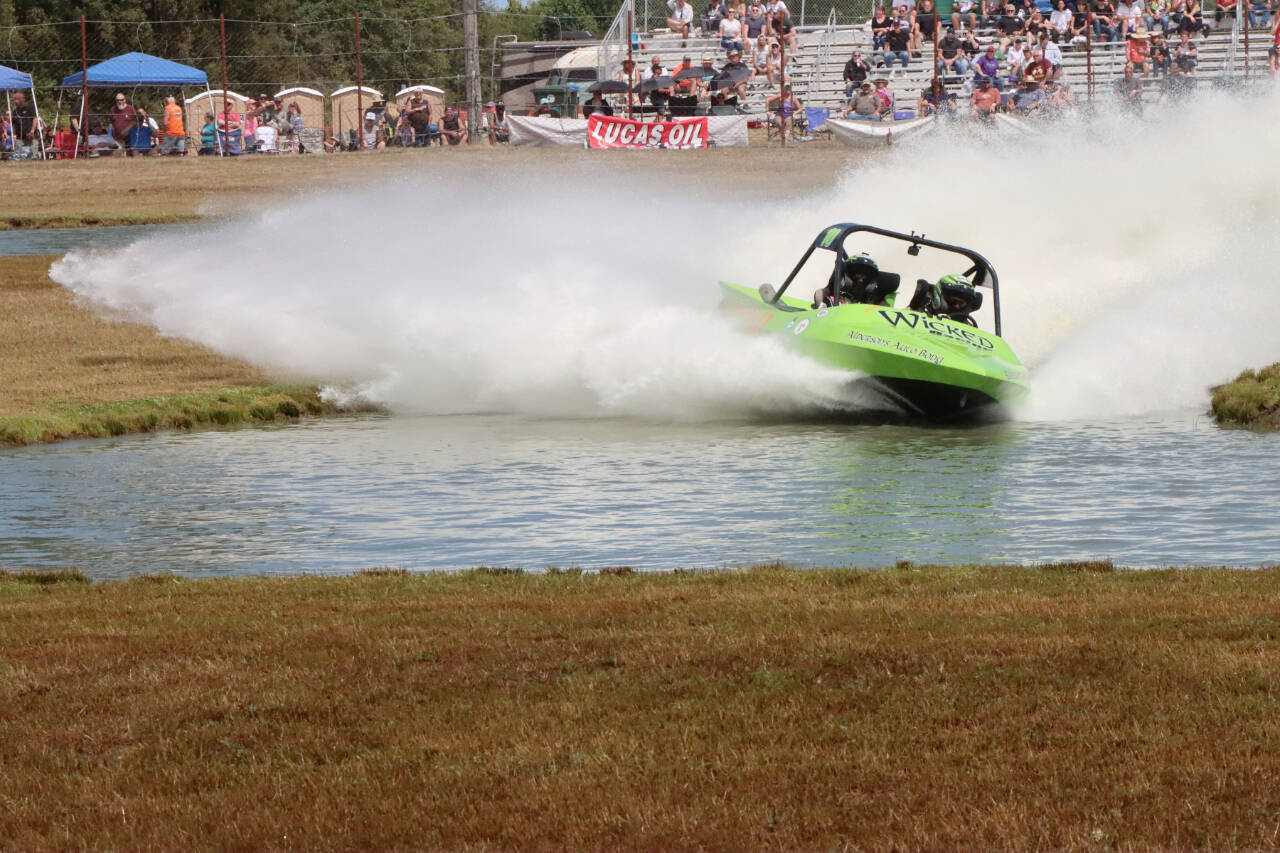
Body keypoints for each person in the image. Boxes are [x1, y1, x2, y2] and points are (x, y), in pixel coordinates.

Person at [815, 254, 889, 308]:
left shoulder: (877, 304)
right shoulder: (835, 301)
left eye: (866, 275)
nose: (861, 279)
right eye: (858, 273)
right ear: (848, 275)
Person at [9, 92, 37, 159]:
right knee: (18, 156)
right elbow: (13, 124)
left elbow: (35, 119)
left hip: (30, 136)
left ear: (21, 100)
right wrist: (14, 135)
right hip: (19, 137)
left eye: (17, 100)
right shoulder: (15, 111)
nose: (15, 102)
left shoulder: (30, 108)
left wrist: (32, 131)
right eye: (14, 100)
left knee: (33, 156)